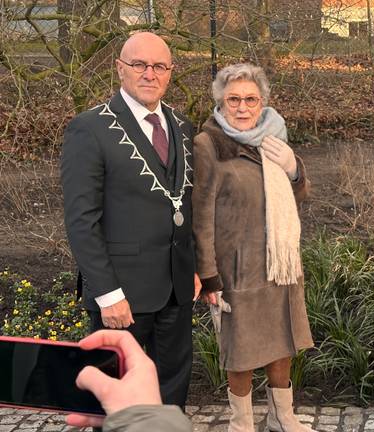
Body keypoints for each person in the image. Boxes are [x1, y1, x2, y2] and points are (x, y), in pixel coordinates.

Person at [60, 32, 197, 408]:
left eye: (159, 66)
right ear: (120, 69)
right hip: (121, 295)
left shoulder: (181, 126)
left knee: (172, 389)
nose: (149, 74)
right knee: (117, 398)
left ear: (170, 72)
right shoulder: (89, 128)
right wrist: (108, 293)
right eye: (139, 64)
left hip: (176, 288)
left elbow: (187, 203)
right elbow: (81, 221)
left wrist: (194, 268)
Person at [192, 63, 315, 432]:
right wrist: (209, 275)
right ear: (221, 102)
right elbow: (201, 215)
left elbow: (297, 196)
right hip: (237, 268)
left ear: (262, 102)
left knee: (282, 343)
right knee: (241, 351)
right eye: (234, 100)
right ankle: (241, 423)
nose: (242, 107)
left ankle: (282, 417)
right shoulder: (209, 144)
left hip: (280, 265)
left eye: (250, 99)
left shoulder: (273, 136)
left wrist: (294, 169)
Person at [66, 330, 192, 431]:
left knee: (174, 376)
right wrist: (109, 299)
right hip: (124, 307)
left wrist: (154, 418)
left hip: (177, 303)